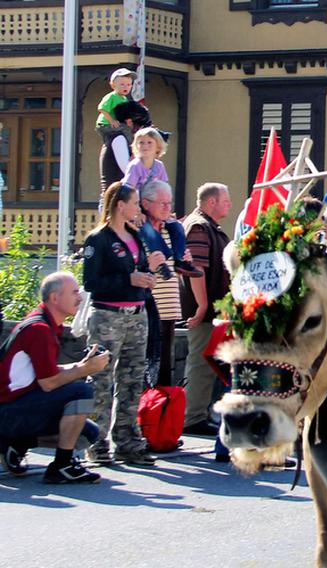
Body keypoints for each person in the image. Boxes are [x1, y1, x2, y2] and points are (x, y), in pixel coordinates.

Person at [0, 272, 111, 483]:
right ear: (54, 298)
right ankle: (62, 465)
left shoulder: (44, 324)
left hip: (16, 407)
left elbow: (45, 372)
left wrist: (80, 365)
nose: (80, 298)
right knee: (81, 390)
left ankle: (14, 443)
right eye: (74, 292)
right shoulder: (39, 329)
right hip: (8, 411)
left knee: (88, 433)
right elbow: (49, 383)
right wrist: (85, 370)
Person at [83, 182, 164, 466]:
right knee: (102, 380)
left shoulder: (135, 235)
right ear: (120, 205)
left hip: (136, 313)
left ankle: (128, 441)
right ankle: (96, 440)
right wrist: (128, 279)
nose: (138, 207)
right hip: (107, 316)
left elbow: (137, 271)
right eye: (135, 202)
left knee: (131, 380)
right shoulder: (99, 239)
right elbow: (91, 282)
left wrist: (147, 275)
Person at [181, 183, 232, 436]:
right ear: (211, 202)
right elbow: (196, 269)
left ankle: (198, 413)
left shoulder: (208, 227)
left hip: (211, 309)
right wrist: (201, 305)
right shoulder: (199, 228)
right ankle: (192, 417)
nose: (229, 205)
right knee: (200, 361)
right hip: (201, 311)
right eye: (225, 200)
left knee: (207, 362)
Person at [124, 127, 202, 280]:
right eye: (141, 143)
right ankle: (161, 262)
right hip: (138, 207)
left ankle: (180, 259)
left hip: (155, 205)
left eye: (149, 143)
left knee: (177, 227)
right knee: (149, 231)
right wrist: (137, 212)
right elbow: (128, 190)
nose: (144, 146)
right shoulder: (135, 166)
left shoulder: (159, 166)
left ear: (158, 147)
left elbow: (164, 188)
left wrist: (166, 210)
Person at [141, 180, 189, 386]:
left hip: (169, 310)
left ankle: (160, 415)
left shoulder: (170, 230)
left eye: (169, 204)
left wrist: (184, 261)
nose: (168, 209)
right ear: (145, 203)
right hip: (148, 311)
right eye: (163, 204)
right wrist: (149, 267)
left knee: (164, 372)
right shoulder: (139, 232)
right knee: (146, 370)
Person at [95, 67, 136, 144]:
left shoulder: (124, 99)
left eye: (128, 84)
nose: (125, 87)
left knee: (128, 129)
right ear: (113, 85)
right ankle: (131, 149)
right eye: (122, 84)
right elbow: (102, 108)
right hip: (105, 124)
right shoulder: (112, 96)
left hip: (115, 124)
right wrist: (112, 121)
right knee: (126, 131)